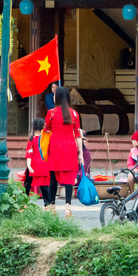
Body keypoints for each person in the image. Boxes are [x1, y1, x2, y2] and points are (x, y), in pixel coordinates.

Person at [42, 86, 82, 214]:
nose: (53, 97)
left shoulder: (51, 113)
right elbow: (78, 135)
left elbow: (46, 129)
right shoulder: (75, 113)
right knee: (69, 177)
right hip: (70, 147)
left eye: (54, 95)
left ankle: (52, 206)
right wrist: (80, 153)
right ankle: (68, 207)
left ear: (57, 97)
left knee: (53, 177)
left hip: (55, 147)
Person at [23, 116, 46, 194]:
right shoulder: (46, 139)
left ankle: (24, 201)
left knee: (27, 184)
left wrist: (29, 166)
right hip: (44, 164)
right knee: (44, 186)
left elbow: (30, 153)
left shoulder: (31, 139)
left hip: (33, 164)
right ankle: (48, 204)